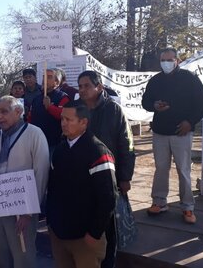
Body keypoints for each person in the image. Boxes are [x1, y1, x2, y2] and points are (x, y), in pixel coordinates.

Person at [141, 47, 203, 224]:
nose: (166, 63)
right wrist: (155, 105)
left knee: (183, 170)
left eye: (170, 60)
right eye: (163, 60)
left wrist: (190, 121)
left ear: (177, 60)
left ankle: (187, 207)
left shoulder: (189, 78)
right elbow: (146, 102)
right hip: (160, 132)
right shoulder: (155, 80)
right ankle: (159, 202)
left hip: (182, 131)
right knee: (161, 168)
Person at [47, 100, 117, 268]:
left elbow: (108, 198)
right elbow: (53, 189)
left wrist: (94, 233)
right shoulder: (60, 150)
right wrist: (51, 223)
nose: (63, 123)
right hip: (60, 233)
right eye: (62, 119)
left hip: (85, 238)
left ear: (83, 122)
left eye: (69, 120)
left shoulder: (97, 151)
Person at [77, 70, 135, 267]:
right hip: (84, 180)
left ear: (99, 87)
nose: (82, 90)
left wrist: (125, 176)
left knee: (109, 226)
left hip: (109, 179)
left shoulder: (114, 110)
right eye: (80, 86)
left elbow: (127, 144)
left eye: (87, 85)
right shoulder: (78, 110)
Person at [0, 96, 50, 268]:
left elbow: (41, 172)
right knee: (1, 254)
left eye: (4, 112)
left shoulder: (34, 133)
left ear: (18, 112)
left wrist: (28, 212)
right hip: (0, 205)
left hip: (23, 209)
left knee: (23, 255)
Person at [29, 68, 69, 153]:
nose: (45, 79)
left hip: (53, 144)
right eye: (44, 76)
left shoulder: (63, 97)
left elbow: (64, 115)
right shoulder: (36, 99)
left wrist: (50, 107)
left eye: (49, 77)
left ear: (57, 82)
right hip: (36, 142)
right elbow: (30, 118)